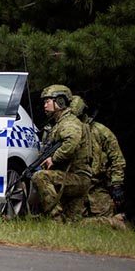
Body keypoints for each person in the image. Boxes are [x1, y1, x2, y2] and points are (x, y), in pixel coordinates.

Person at [30, 85, 93, 222]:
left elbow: (71, 142)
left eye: (48, 101)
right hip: (71, 176)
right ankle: (116, 222)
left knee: (40, 177)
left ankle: (55, 220)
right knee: (74, 223)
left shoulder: (69, 122)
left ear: (60, 101)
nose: (44, 105)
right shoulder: (59, 123)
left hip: (78, 177)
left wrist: (54, 158)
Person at [70, 96, 127, 226]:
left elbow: (117, 159)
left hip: (98, 186)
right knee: (72, 223)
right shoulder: (64, 132)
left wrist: (117, 184)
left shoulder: (100, 131)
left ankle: (117, 222)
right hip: (75, 185)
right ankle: (116, 221)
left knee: (97, 222)